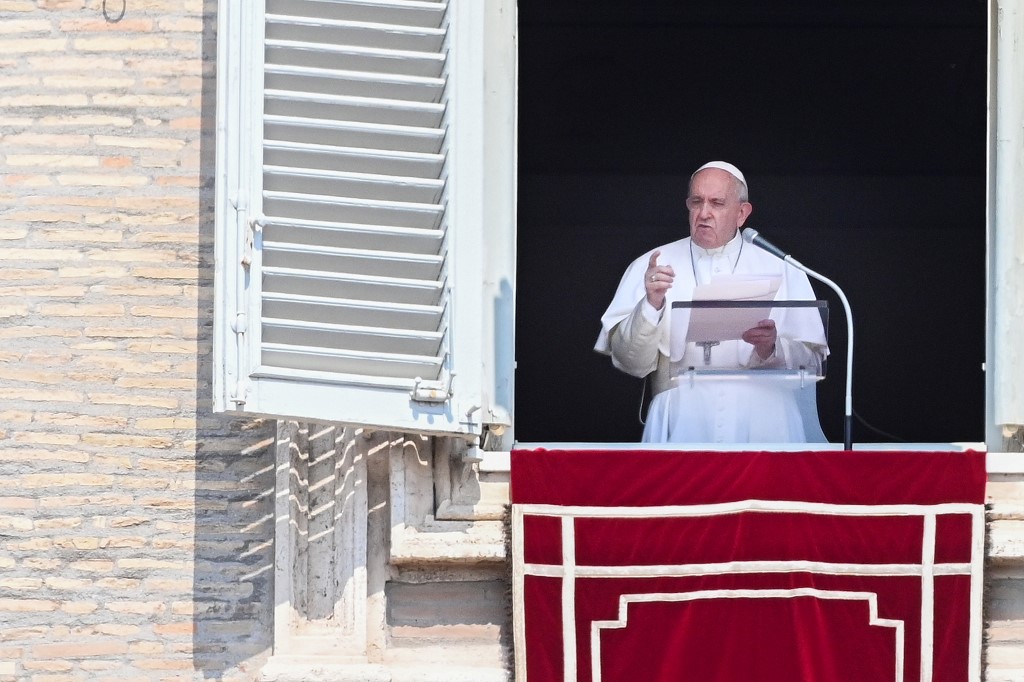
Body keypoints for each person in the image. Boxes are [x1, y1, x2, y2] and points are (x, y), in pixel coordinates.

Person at [594, 161, 829, 443]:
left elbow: (813, 361)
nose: (704, 213)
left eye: (717, 203)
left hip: (766, 421)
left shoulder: (784, 268)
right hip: (682, 419)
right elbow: (630, 363)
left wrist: (771, 347)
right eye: (696, 202)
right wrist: (650, 306)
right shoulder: (652, 266)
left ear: (742, 213)